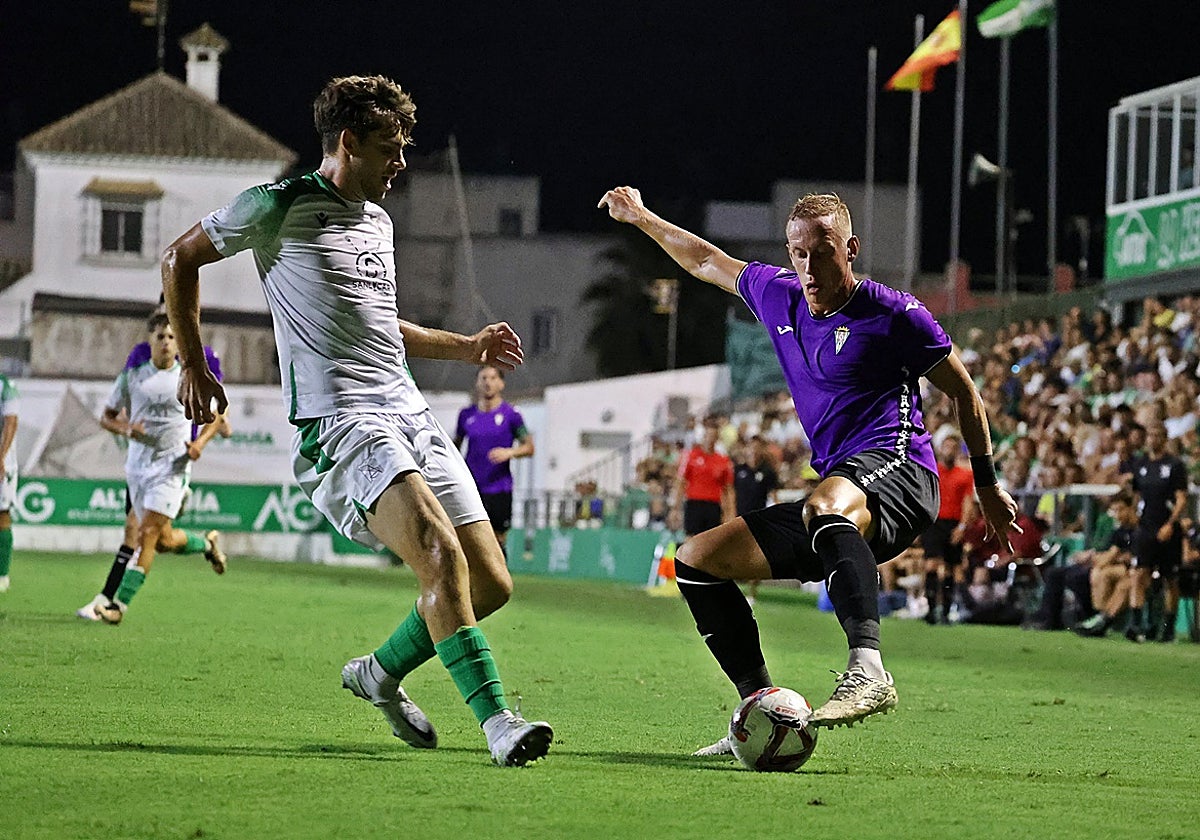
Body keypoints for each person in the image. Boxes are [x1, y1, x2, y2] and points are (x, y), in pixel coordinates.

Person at [162, 75, 551, 767]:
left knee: (490, 582)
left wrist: (463, 348)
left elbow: (378, 325)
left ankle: (378, 674)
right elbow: (179, 258)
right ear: (348, 143)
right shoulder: (278, 205)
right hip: (340, 419)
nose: (401, 162)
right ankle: (498, 723)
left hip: (409, 413)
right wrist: (194, 365)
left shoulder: (377, 220)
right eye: (390, 149)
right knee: (438, 553)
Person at [598, 186, 1018, 753]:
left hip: (901, 473)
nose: (809, 266)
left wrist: (988, 483)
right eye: (798, 253)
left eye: (822, 252)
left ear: (851, 248)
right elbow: (702, 259)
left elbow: (967, 396)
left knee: (825, 503)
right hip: (841, 494)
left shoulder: (895, 314)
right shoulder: (778, 295)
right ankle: (761, 709)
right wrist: (642, 216)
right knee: (697, 561)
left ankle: (868, 668)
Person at [76, 302, 228, 620]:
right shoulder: (133, 376)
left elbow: (218, 417)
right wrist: (127, 429)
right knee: (162, 541)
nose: (167, 342)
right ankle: (206, 544)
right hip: (138, 469)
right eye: (161, 336)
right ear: (151, 340)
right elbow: (106, 416)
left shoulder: (190, 376)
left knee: (145, 533)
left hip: (173, 468)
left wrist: (199, 443)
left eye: (172, 337)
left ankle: (118, 605)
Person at [453, 365, 534, 553]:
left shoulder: (511, 415)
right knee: (467, 538)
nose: (488, 382)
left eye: (492, 378)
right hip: (471, 487)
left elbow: (529, 447)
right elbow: (455, 446)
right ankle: (468, 581)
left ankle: (499, 580)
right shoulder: (466, 415)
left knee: (497, 539)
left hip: (499, 487)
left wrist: (509, 452)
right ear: (477, 383)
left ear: (501, 384)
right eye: (483, 378)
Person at [1127, 422, 1188, 642]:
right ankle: (1136, 624)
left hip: (1167, 527)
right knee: (1138, 573)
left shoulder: (1174, 465)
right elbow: (1135, 494)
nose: (1152, 439)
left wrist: (1171, 524)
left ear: (1164, 437)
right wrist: (1133, 516)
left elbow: (1181, 499)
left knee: (1170, 579)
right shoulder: (1141, 464)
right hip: (1145, 528)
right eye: (1150, 435)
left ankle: (1168, 628)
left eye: (1157, 435)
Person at [921, 433, 974, 624]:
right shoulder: (931, 470)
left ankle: (945, 611)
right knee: (931, 565)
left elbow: (968, 502)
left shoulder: (965, 475)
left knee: (952, 568)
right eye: (946, 446)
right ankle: (930, 609)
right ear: (940, 449)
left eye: (953, 447)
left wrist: (962, 526)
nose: (949, 450)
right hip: (934, 522)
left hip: (953, 523)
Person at [733, 435, 779, 605]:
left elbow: (773, 495)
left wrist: (777, 512)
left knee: (756, 556)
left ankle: (752, 593)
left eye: (757, 447)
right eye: (751, 447)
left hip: (759, 519)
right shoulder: (738, 470)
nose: (754, 450)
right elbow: (731, 493)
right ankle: (732, 589)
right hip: (738, 518)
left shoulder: (768, 472)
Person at [672, 417, 735, 539]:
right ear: (703, 437)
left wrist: (730, 512)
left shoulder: (723, 461)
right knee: (690, 540)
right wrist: (675, 508)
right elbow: (681, 482)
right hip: (694, 503)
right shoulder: (691, 457)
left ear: (717, 438)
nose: (710, 439)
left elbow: (728, 488)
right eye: (708, 435)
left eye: (713, 436)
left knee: (710, 542)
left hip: (713, 504)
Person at [0, 374, 18, 593]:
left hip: (4, 464)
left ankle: (2, 575)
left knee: (2, 515)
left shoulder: (6, 386)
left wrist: (1, 456)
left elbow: (11, 421)